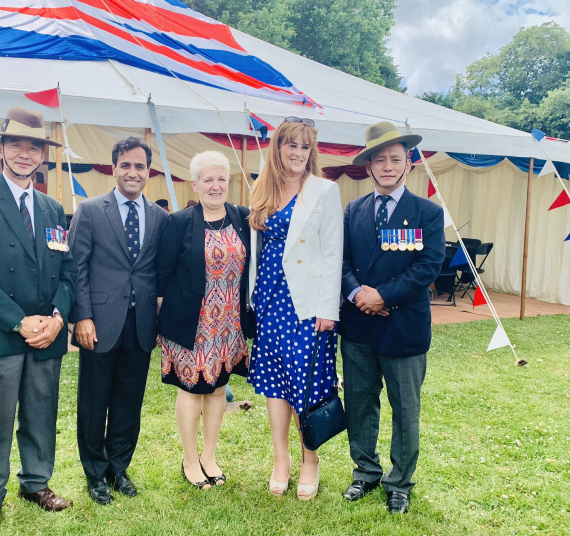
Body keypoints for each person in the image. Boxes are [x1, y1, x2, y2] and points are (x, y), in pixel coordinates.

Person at [0, 107, 78, 536]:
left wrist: (58, 319)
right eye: (16, 144)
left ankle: (36, 483)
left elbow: (68, 271)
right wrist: (19, 322)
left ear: (43, 155)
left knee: (41, 413)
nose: (25, 153)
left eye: (34, 146)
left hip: (47, 335)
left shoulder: (52, 208)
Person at [340, 121, 445, 514]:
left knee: (405, 410)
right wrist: (357, 293)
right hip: (359, 327)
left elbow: (428, 267)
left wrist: (382, 295)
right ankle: (365, 472)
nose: (387, 166)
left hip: (404, 328)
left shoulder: (428, 213)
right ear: (367, 167)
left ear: (409, 164)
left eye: (395, 159)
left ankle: (400, 482)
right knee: (360, 403)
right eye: (379, 159)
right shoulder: (353, 210)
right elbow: (342, 262)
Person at [68, 137, 169, 505]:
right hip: (98, 323)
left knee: (129, 401)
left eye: (139, 166)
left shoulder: (159, 217)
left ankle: (118, 467)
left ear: (148, 172)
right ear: (114, 169)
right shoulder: (91, 211)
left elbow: (159, 271)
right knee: (95, 401)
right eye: (125, 165)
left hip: (141, 325)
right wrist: (82, 316)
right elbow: (76, 268)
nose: (132, 172)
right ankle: (94, 474)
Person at [247, 118, 343, 500]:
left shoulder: (325, 190)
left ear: (311, 151)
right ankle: (280, 458)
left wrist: (328, 308)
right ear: (278, 148)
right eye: (291, 145)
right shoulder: (262, 187)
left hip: (307, 303)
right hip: (269, 297)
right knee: (275, 382)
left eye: (304, 147)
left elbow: (333, 251)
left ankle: (310, 459)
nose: (298, 154)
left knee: (306, 383)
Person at [155, 151, 253, 490]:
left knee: (219, 390)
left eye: (221, 179)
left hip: (229, 324)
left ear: (229, 182)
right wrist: (161, 325)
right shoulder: (180, 222)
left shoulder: (243, 217)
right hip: (190, 325)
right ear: (195, 184)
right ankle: (189, 459)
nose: (215, 186)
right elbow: (163, 275)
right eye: (208, 180)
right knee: (192, 391)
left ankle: (210, 457)